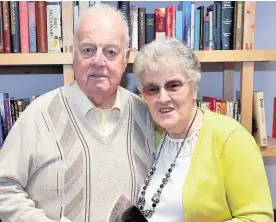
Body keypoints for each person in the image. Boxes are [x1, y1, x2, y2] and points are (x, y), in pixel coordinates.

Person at [0, 4, 156, 222]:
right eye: (88, 50)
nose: (98, 61)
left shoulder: (147, 116)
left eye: (110, 52)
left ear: (126, 57)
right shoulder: (39, 115)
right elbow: (3, 189)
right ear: (74, 54)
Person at [133, 37, 274, 222]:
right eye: (152, 89)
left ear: (194, 87)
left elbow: (258, 218)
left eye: (173, 85)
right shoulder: (154, 136)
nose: (163, 98)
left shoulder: (231, 138)